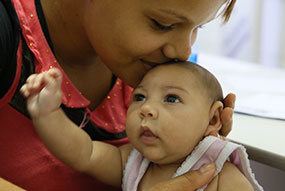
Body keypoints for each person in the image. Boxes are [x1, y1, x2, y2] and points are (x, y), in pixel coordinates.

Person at [0, 0, 250, 190]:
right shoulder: (6, 27)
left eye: (198, 28)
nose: (183, 52)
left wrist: (190, 145)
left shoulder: (150, 69)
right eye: (163, 24)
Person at [20, 61, 263, 191]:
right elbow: (83, 153)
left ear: (213, 120)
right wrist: (48, 112)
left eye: (171, 99)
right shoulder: (133, 162)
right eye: (140, 97)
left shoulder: (218, 171)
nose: (146, 108)